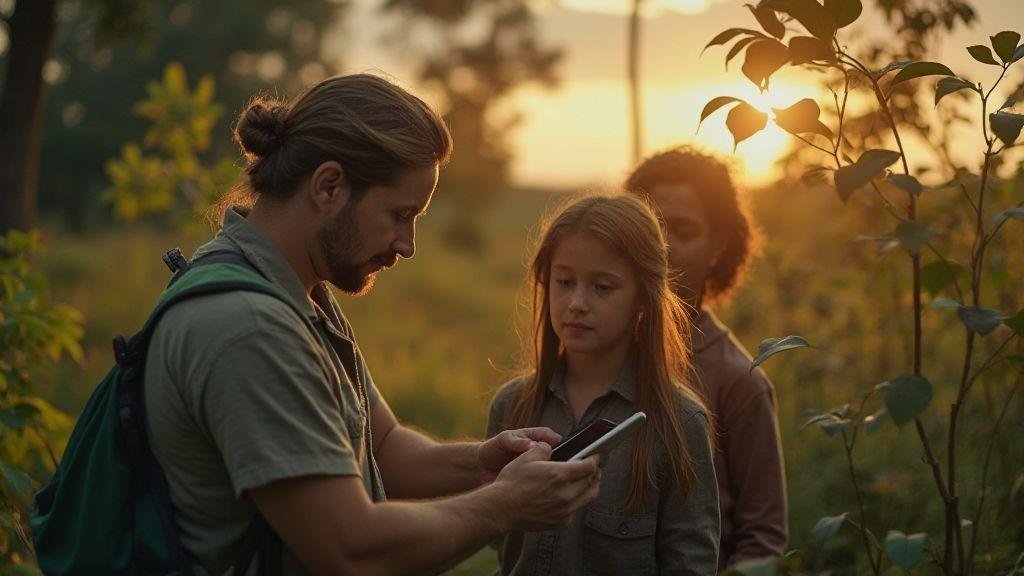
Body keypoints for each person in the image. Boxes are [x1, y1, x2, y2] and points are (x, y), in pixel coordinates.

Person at [143, 73, 602, 575]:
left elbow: (381, 446)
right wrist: (505, 505)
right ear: (328, 186)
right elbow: (351, 551)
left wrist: (485, 463)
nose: (407, 245)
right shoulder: (250, 330)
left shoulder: (296, 291)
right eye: (399, 214)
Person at [486, 194, 720, 575]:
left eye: (603, 287)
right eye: (564, 281)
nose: (577, 302)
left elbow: (690, 562)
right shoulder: (512, 407)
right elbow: (503, 546)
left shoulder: (679, 422)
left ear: (643, 297)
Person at [624, 146, 788, 569]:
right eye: (650, 226)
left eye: (684, 230)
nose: (663, 247)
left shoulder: (738, 381)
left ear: (719, 244)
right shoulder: (591, 345)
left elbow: (762, 542)